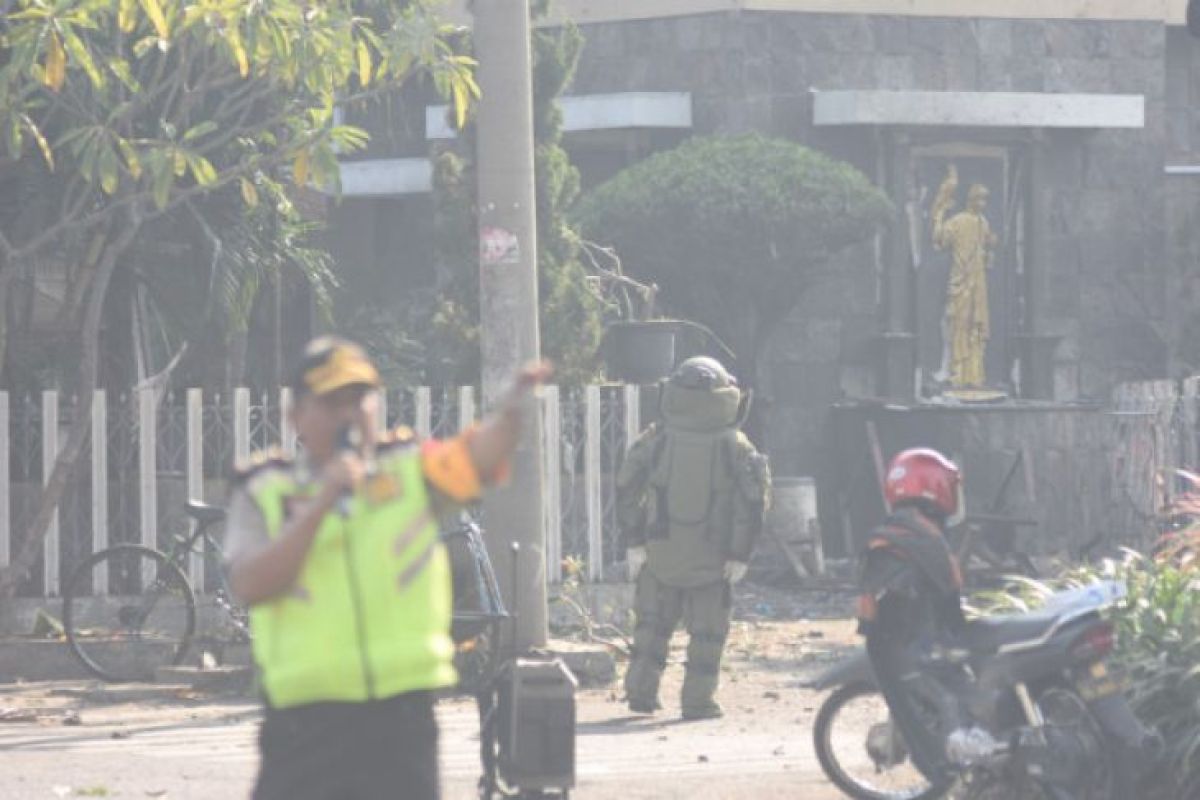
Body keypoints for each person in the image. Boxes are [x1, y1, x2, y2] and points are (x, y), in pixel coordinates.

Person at [223, 336, 549, 800]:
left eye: (360, 398)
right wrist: (322, 502)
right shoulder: (264, 491)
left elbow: (479, 458)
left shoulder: (409, 471)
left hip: (401, 720)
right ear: (295, 416)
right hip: (305, 721)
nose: (348, 413)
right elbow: (250, 583)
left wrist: (513, 410)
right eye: (332, 401)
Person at [617, 356, 771, 720]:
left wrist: (635, 540)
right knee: (707, 637)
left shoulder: (656, 438)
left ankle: (641, 693)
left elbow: (626, 485)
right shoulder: (737, 445)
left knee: (651, 628)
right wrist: (741, 554)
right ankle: (698, 703)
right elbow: (753, 503)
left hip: (660, 552)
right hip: (714, 560)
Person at [855, 447, 998, 783]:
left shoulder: (891, 533)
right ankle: (955, 766)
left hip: (893, 643)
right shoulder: (926, 537)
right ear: (936, 489)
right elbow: (950, 594)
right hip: (919, 644)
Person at [931, 166, 998, 389]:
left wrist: (991, 247)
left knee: (975, 327)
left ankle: (975, 374)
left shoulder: (983, 222)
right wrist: (938, 214)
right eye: (979, 198)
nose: (982, 203)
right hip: (960, 280)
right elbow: (939, 241)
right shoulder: (958, 221)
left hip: (978, 283)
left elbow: (988, 244)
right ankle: (957, 372)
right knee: (959, 325)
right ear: (970, 199)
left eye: (985, 199)